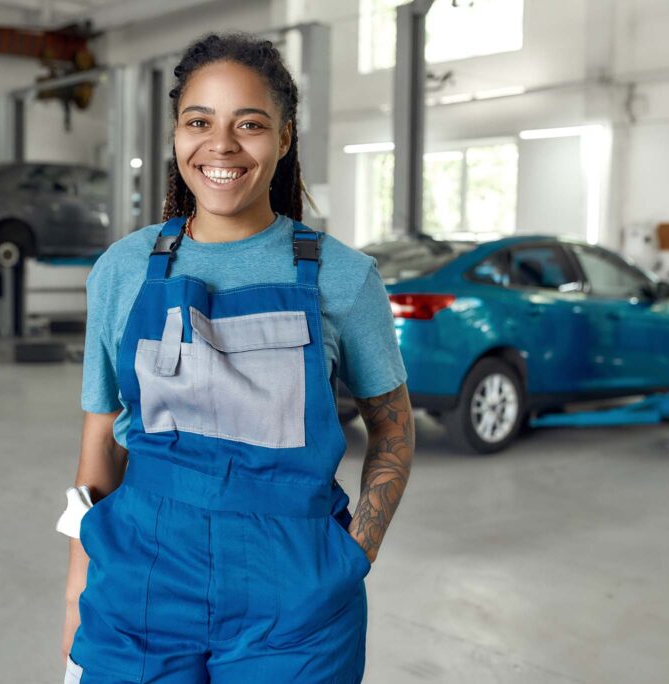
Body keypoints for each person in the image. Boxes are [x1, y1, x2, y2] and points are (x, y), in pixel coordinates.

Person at [58, 31, 415, 683]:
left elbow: (393, 427)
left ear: (283, 138)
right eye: (200, 121)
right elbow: (101, 437)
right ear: (175, 134)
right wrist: (77, 582)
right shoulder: (123, 270)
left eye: (248, 124)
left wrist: (352, 556)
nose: (220, 145)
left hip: (294, 595)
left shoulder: (343, 276)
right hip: (138, 580)